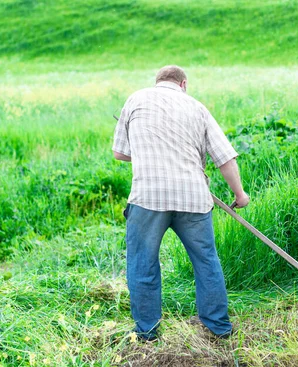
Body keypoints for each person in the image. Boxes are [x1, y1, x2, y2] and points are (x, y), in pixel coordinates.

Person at [112, 65, 250, 341]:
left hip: (148, 198)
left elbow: (120, 153)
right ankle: (218, 328)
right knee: (206, 262)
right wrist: (240, 195)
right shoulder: (196, 107)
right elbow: (225, 157)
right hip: (193, 198)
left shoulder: (136, 99)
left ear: (157, 82)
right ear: (183, 84)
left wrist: (149, 151)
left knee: (143, 264)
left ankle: (147, 332)